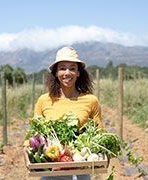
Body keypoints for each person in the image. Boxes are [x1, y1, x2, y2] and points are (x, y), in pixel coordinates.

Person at [24, 46, 102, 180]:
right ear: (55, 73)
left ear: (78, 73)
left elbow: (99, 132)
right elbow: (33, 134)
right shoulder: (44, 100)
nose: (67, 73)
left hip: (81, 166)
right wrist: (26, 151)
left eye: (72, 68)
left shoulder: (91, 101)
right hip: (51, 166)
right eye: (62, 68)